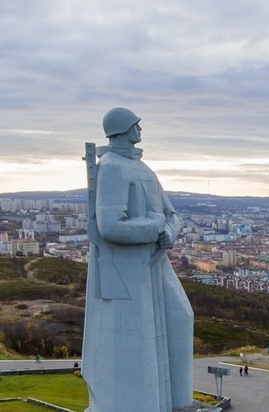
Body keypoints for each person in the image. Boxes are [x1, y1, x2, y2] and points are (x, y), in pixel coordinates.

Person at [82, 108, 194, 412]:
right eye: (135, 124)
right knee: (136, 339)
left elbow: (172, 214)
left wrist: (169, 229)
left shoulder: (143, 168)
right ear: (121, 128)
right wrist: (157, 228)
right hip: (127, 268)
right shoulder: (113, 168)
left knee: (181, 317)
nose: (140, 129)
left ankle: (181, 403)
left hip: (155, 260)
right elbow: (110, 226)